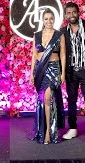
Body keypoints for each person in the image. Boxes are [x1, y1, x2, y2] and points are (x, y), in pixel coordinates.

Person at [28, 9, 66, 144]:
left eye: (51, 18)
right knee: (42, 100)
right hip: (40, 71)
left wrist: (63, 73)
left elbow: (62, 54)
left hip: (54, 69)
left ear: (54, 20)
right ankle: (43, 129)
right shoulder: (36, 35)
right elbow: (34, 55)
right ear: (42, 20)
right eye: (46, 19)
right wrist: (32, 72)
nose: (48, 21)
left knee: (48, 98)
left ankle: (49, 133)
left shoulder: (59, 35)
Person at [60, 2, 85, 140]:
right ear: (65, 15)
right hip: (72, 72)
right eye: (68, 13)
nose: (71, 15)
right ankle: (73, 128)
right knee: (71, 100)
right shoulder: (63, 32)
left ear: (78, 12)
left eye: (74, 12)